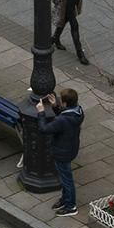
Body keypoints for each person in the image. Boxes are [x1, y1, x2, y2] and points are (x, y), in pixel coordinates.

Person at [39, 87, 85, 218]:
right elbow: (65, 118)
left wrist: (41, 112)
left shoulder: (62, 120)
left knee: (66, 180)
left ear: (65, 103)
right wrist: (56, 107)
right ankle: (65, 200)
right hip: (71, 148)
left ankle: (71, 206)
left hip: (61, 152)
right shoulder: (79, 112)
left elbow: (44, 129)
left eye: (61, 100)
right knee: (65, 177)